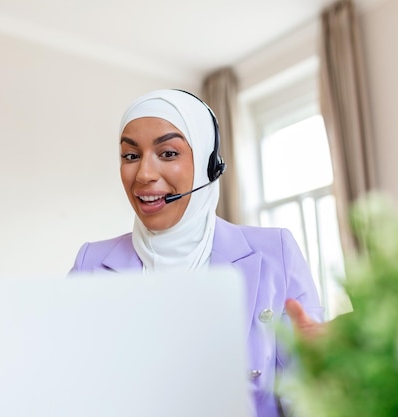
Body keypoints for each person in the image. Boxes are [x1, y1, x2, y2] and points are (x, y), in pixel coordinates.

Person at [70, 89, 324, 417]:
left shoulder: (275, 252)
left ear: (209, 164)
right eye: (131, 156)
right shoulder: (89, 264)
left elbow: (308, 399)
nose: (144, 174)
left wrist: (326, 368)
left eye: (167, 153)